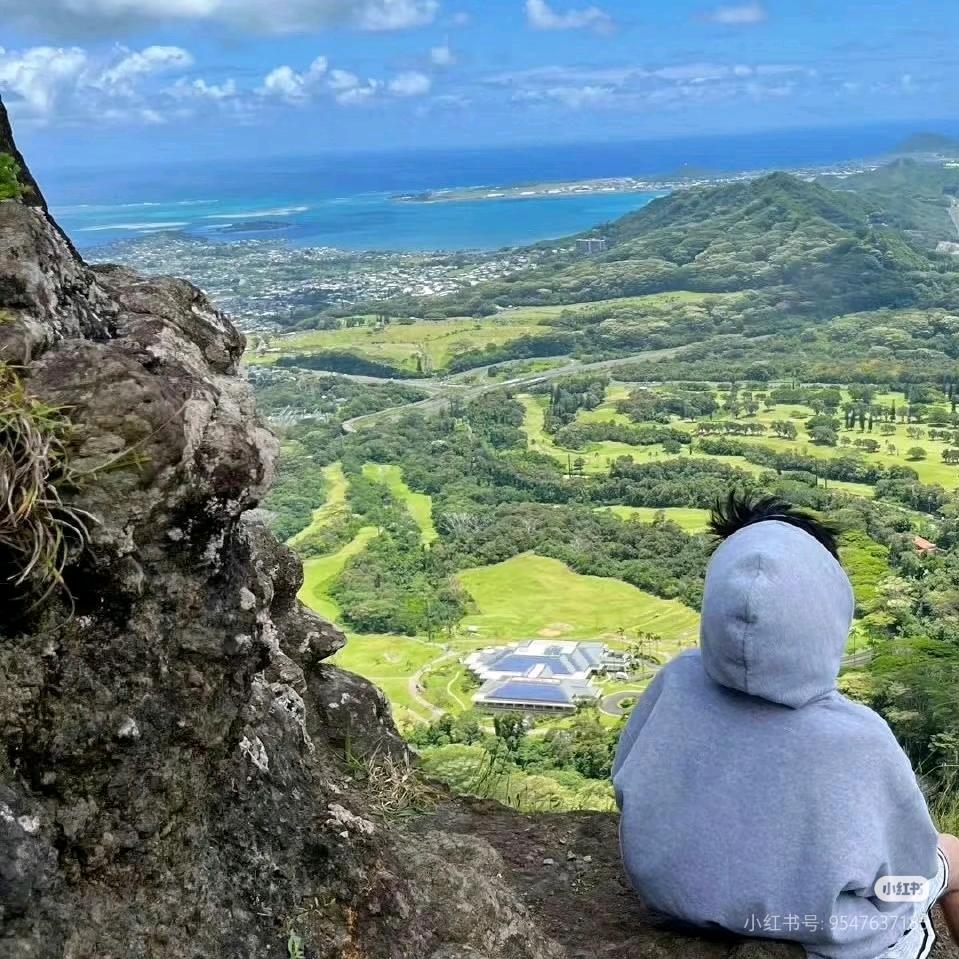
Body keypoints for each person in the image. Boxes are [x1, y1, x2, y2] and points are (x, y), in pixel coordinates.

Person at [612, 493, 959, 959]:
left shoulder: (674, 683)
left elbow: (629, 783)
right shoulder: (858, 737)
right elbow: (907, 867)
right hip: (819, 931)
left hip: (674, 902)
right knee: (953, 855)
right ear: (828, 605)